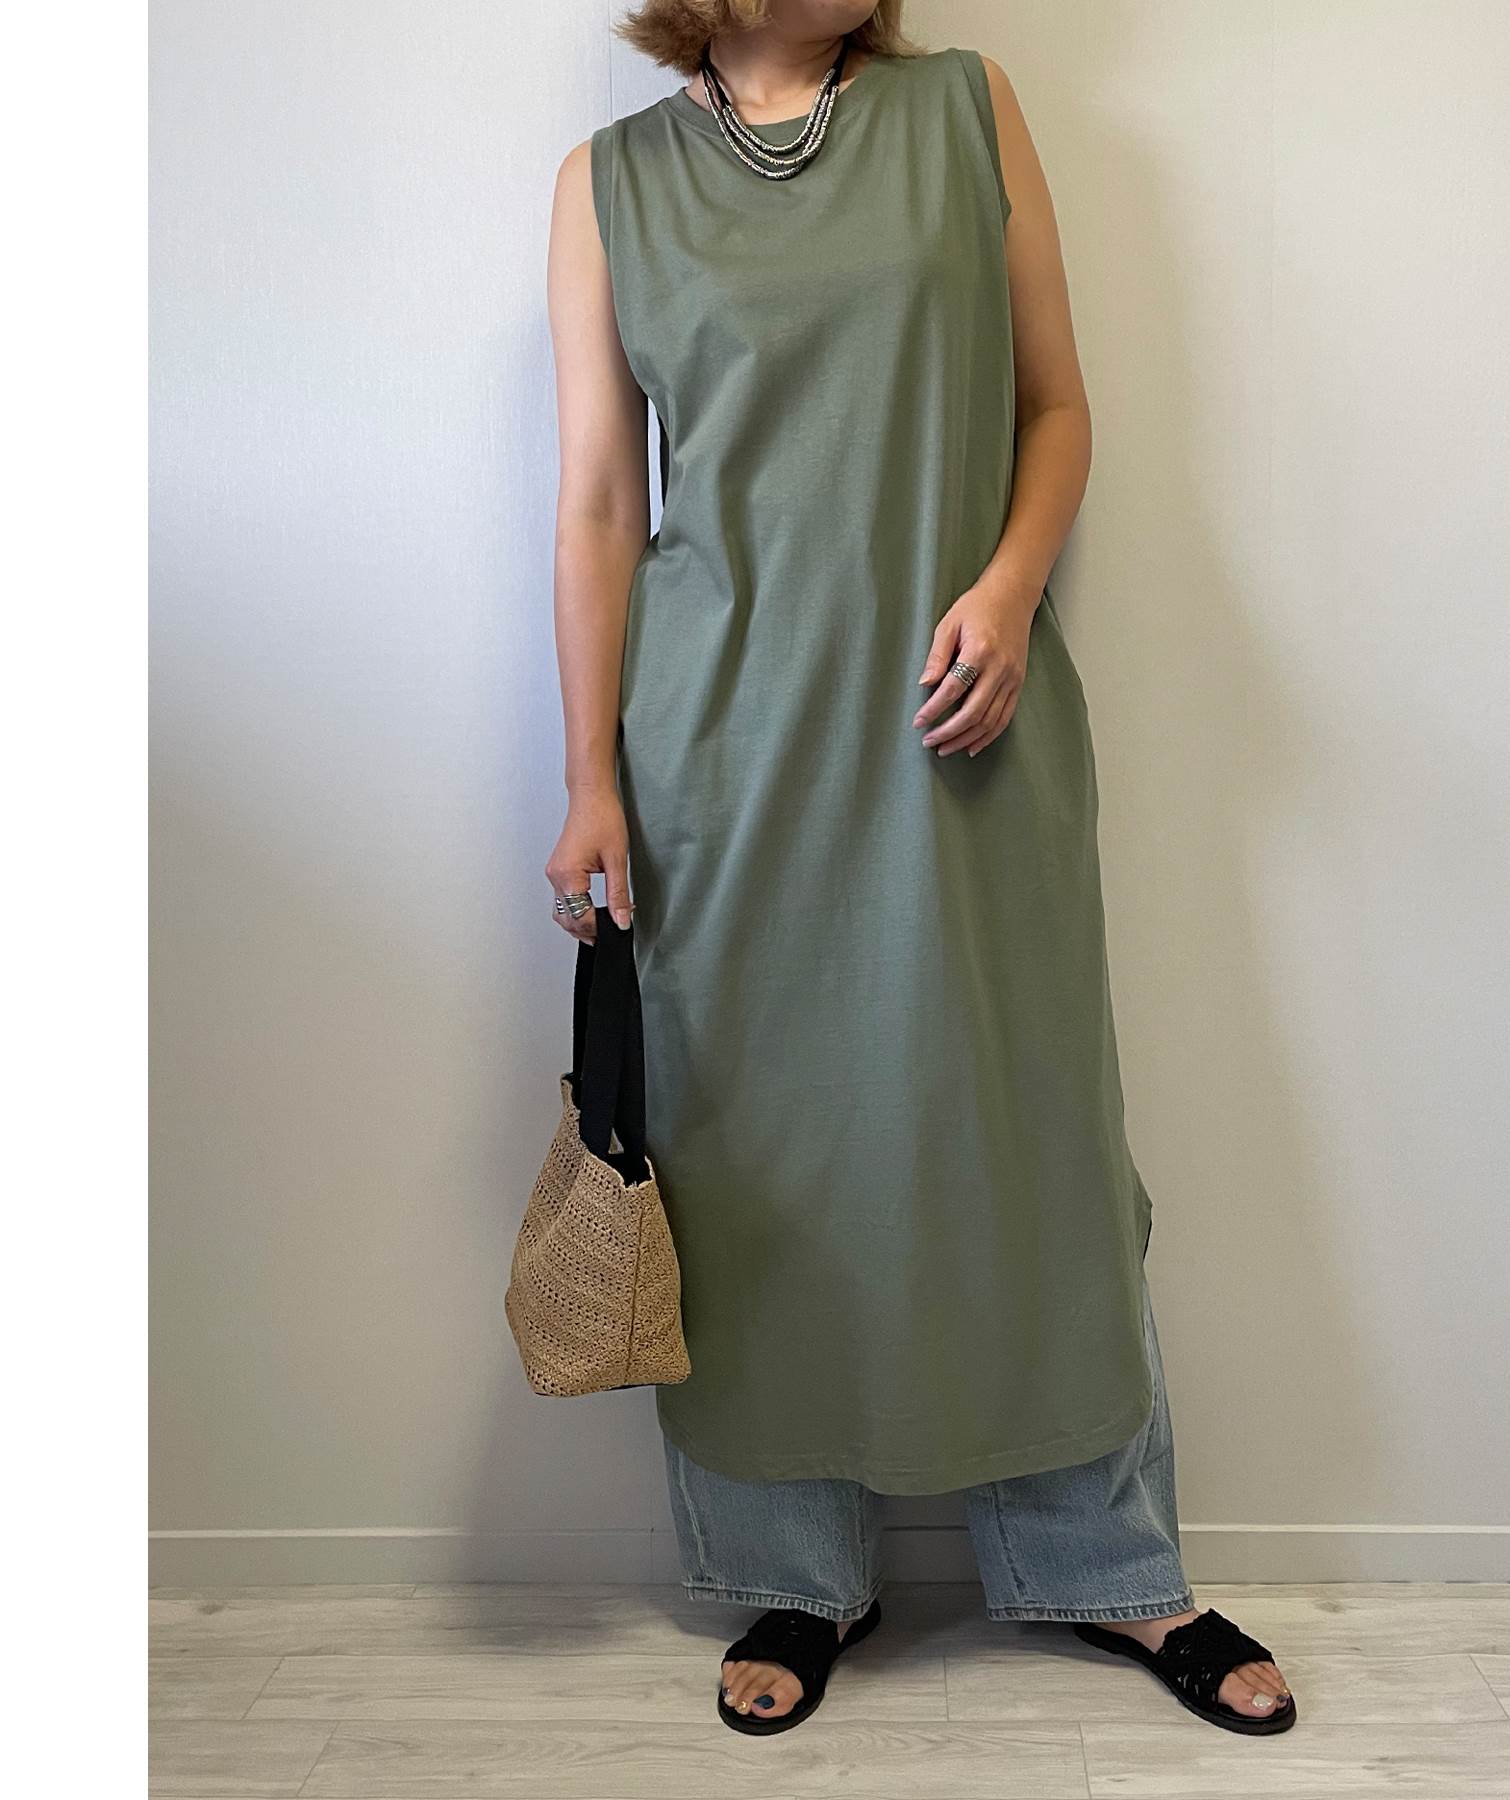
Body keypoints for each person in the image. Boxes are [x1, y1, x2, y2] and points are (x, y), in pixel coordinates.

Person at [543, 0, 1293, 1738]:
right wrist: (588, 776)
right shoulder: (607, 185)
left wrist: (1014, 590)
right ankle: (799, 1574)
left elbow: (1057, 404)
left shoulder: (966, 111)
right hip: (721, 748)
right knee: (759, 1152)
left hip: (964, 725)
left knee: (1026, 1136)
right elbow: (598, 500)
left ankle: (1114, 1566)